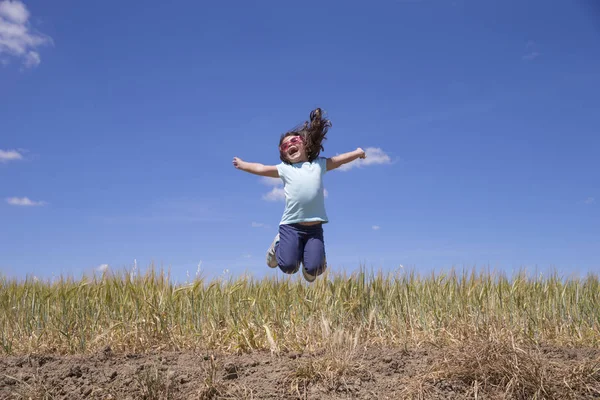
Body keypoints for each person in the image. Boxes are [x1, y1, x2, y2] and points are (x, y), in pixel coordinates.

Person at [232, 108, 366, 282]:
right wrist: (243, 165)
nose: (290, 145)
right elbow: (261, 168)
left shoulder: (318, 165)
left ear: (304, 143)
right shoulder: (285, 169)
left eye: (294, 141)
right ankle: (278, 244)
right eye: (285, 146)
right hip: (291, 226)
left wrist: (357, 153)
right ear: (283, 154)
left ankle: (312, 265)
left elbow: (339, 160)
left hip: (314, 229)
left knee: (313, 271)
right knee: (289, 267)